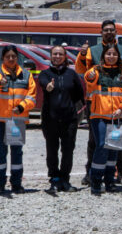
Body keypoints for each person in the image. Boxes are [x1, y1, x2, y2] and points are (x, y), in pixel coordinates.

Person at [77, 20, 122, 187]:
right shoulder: (93, 51)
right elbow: (82, 71)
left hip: (119, 106)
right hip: (96, 104)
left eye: (112, 30)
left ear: (116, 32)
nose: (109, 32)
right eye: (106, 30)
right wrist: (82, 55)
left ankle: (120, 172)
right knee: (95, 141)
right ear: (101, 32)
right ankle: (92, 174)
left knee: (117, 140)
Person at [0, 45, 37, 194]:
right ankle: (0, 183)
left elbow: (32, 96)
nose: (11, 59)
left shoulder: (26, 75)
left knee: (17, 152)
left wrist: (22, 107)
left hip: (17, 120)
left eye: (13, 56)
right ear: (3, 58)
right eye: (7, 56)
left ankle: (16, 183)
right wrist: (0, 82)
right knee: (1, 152)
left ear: (17, 58)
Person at [36, 45, 85, 192]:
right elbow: (43, 83)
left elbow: (79, 94)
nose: (57, 57)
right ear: (51, 56)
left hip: (69, 118)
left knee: (68, 149)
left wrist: (69, 105)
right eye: (55, 54)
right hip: (50, 118)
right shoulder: (45, 73)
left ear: (65, 57)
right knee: (52, 149)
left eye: (60, 54)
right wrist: (48, 87)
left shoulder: (71, 74)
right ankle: (55, 178)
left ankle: (65, 178)